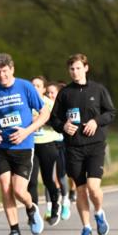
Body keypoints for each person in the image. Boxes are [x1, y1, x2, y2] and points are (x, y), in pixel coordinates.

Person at [0, 53, 49, 235]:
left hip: (23, 145)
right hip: (1, 147)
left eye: (4, 71)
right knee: (5, 187)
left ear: (12, 70)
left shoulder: (25, 86)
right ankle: (14, 232)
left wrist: (27, 132)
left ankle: (30, 206)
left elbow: (44, 113)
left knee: (19, 190)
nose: (1, 75)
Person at [50, 53, 117, 235]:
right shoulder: (65, 93)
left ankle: (99, 212)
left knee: (93, 188)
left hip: (95, 146)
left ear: (86, 68)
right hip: (73, 147)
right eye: (71, 69)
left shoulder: (98, 89)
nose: (75, 72)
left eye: (78, 68)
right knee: (80, 190)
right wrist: (63, 126)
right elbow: (54, 118)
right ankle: (86, 227)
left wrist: (96, 121)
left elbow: (111, 112)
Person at [27, 76, 62, 227]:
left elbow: (57, 122)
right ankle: (33, 213)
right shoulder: (25, 104)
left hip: (48, 144)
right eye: (32, 85)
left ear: (43, 89)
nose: (35, 87)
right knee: (31, 182)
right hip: (31, 145)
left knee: (48, 179)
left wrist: (41, 120)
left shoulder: (49, 104)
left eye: (38, 85)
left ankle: (55, 205)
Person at [45, 82, 71, 222]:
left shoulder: (63, 107)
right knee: (48, 177)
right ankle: (49, 207)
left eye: (52, 92)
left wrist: (46, 121)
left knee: (61, 176)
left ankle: (65, 202)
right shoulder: (42, 107)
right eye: (47, 92)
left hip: (61, 144)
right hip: (46, 144)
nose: (50, 95)